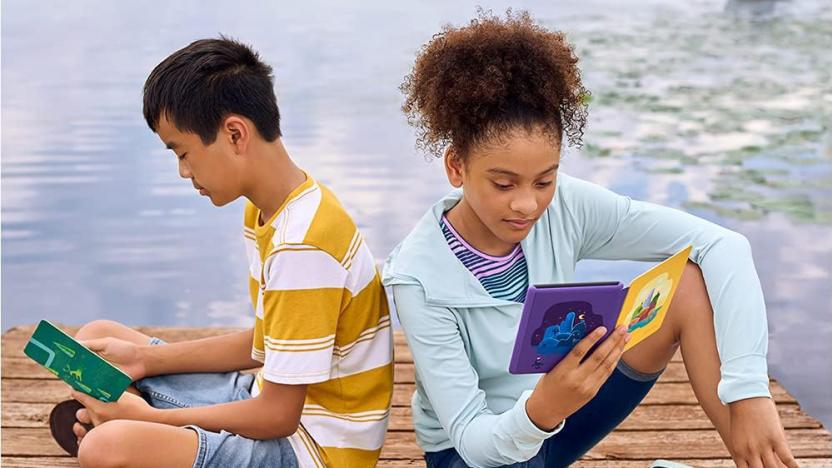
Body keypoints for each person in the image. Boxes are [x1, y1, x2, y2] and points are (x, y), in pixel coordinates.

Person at [383, 10, 797, 468]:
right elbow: (472, 438)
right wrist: (543, 408)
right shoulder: (416, 277)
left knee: (691, 283)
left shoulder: (567, 207)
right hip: (476, 455)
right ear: (456, 166)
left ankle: (758, 461)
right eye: (504, 184)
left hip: (566, 413)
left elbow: (723, 244)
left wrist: (748, 390)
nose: (527, 205)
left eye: (544, 181)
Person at [52, 37, 393, 468]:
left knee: (107, 448)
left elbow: (277, 417)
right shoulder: (269, 210)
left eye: (183, 152)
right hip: (263, 400)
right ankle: (126, 423)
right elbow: (265, 342)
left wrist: (155, 420)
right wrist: (146, 358)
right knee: (99, 336)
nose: (183, 170)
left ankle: (121, 429)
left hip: (312, 452)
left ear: (234, 133)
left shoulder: (303, 245)